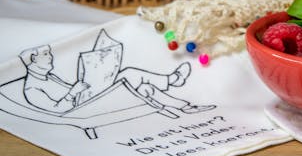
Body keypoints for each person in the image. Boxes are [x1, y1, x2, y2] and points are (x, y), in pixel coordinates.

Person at [19, 45, 215, 115]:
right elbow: (58, 110)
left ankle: (183, 106)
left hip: (86, 97)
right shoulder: (32, 89)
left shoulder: (49, 76)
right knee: (129, 73)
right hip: (80, 108)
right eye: (45, 54)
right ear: (33, 60)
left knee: (144, 87)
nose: (50, 57)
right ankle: (172, 80)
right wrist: (74, 91)